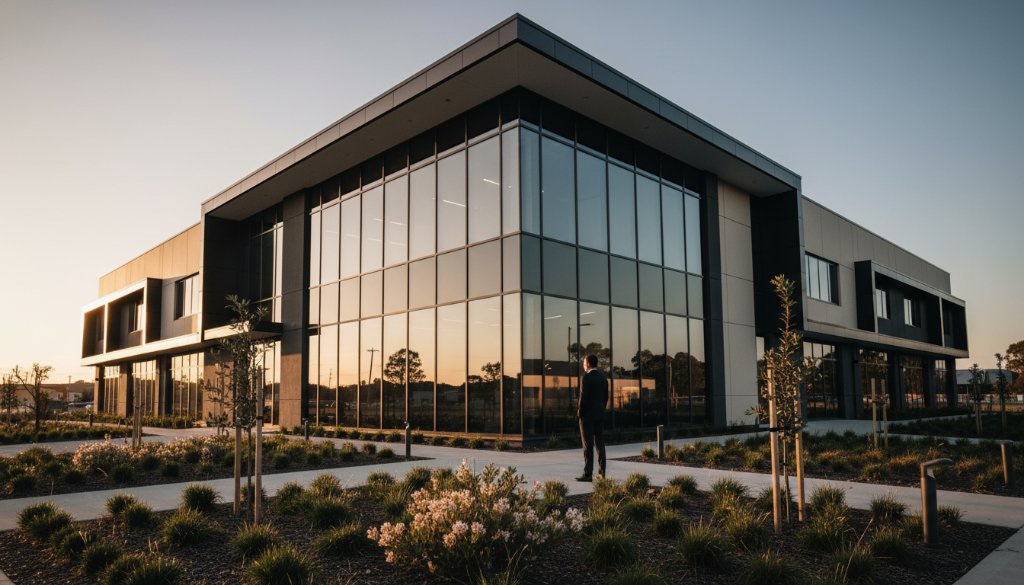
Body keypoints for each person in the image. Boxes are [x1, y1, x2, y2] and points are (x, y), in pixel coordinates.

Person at [576, 354, 608, 482]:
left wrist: (580, 412)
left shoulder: (586, 378)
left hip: (587, 416)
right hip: (600, 415)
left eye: (584, 363)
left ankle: (588, 474)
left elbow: (583, 398)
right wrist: (601, 410)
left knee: (588, 445)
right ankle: (602, 473)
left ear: (588, 363)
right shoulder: (603, 379)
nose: (583, 365)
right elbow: (606, 398)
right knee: (600, 444)